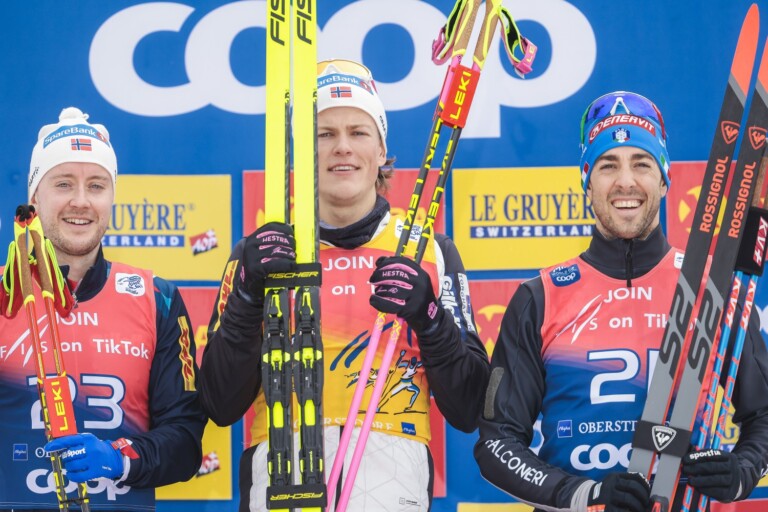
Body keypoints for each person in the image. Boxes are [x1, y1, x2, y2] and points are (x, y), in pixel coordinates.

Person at [199, 59, 489, 511]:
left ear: (381, 151)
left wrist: (430, 320)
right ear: (302, 154)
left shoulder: (427, 252)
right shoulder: (260, 255)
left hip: (392, 488)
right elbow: (219, 403)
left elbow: (471, 408)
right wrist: (248, 297)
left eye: (358, 132)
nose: (342, 148)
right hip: (283, 481)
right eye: (324, 134)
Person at [473, 91, 768, 512]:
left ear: (664, 180)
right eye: (608, 165)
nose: (626, 181)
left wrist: (742, 471)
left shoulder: (713, 289)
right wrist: (584, 494)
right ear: (587, 182)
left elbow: (764, 414)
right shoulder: (539, 297)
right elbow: (497, 443)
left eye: (642, 163)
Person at [0, 107, 206, 511]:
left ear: (111, 198)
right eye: (63, 183)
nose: (80, 201)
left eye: (96, 186)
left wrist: (119, 458)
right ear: (34, 198)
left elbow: (185, 440)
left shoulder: (157, 298)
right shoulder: (6, 297)